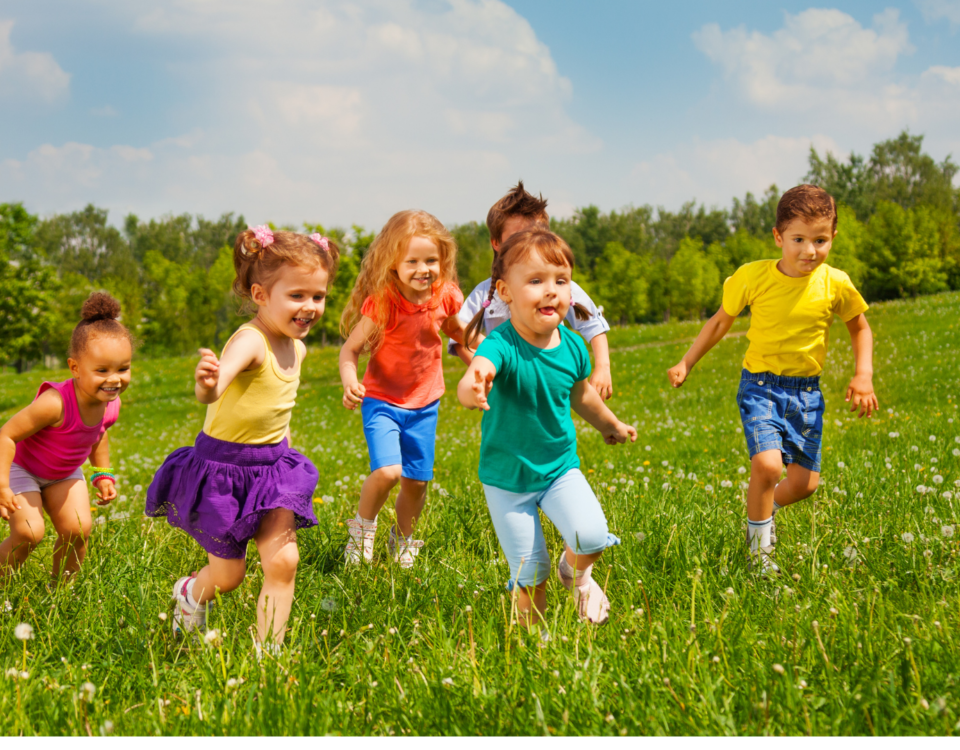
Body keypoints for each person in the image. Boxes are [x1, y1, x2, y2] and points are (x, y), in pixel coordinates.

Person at [667, 184, 878, 575]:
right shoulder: (753, 277)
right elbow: (719, 323)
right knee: (767, 466)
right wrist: (687, 362)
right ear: (778, 237)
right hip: (761, 387)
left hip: (807, 394)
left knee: (804, 485)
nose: (809, 251)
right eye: (798, 239)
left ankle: (763, 510)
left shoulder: (836, 283)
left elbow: (859, 328)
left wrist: (863, 374)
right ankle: (758, 557)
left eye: (820, 240)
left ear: (833, 237)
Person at [146, 226, 337, 653]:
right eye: (297, 295)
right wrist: (207, 383)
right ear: (260, 294)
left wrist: (284, 448)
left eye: (318, 296)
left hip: (272, 471)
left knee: (284, 562)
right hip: (224, 472)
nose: (309, 307)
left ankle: (269, 654)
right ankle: (191, 593)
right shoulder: (251, 341)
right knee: (229, 578)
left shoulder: (298, 347)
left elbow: (278, 407)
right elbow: (214, 392)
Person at [458, 228, 636, 627]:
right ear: (504, 292)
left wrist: (611, 425)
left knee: (590, 536)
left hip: (559, 469)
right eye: (536, 281)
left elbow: (583, 396)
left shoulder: (573, 346)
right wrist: (473, 388)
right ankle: (535, 648)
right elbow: (477, 373)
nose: (551, 290)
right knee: (530, 573)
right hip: (507, 481)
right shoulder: (500, 344)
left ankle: (575, 574)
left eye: (561, 280)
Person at [339, 210, 469, 568]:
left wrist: (482, 360)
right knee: (388, 472)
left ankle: (403, 540)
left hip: (425, 405)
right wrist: (351, 380)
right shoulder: (383, 302)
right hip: (382, 401)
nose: (423, 269)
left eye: (431, 260)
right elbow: (350, 350)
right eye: (412, 261)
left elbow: (460, 335)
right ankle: (362, 531)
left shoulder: (446, 296)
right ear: (392, 264)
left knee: (416, 482)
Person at [0, 293, 131, 580]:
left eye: (123, 368)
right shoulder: (55, 403)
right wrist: (3, 484)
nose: (114, 379)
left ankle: (63, 594)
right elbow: (6, 435)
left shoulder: (111, 402)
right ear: (75, 368)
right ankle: (3, 581)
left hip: (63, 473)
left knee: (78, 530)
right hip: (22, 469)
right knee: (29, 532)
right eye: (102, 370)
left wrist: (102, 473)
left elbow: (99, 435)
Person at [451, 182, 615, 400]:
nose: (529, 244)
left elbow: (593, 324)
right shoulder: (485, 294)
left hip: (552, 385)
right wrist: (485, 373)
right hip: (507, 394)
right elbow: (460, 337)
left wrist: (603, 367)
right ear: (496, 243)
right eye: (517, 238)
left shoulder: (561, 287)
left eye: (536, 234)